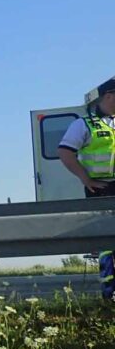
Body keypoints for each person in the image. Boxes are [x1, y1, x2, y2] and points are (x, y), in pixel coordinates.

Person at [58, 77, 115, 300]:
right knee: (107, 243)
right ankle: (110, 293)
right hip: (100, 188)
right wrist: (85, 178)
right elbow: (65, 152)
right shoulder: (83, 124)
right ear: (109, 96)